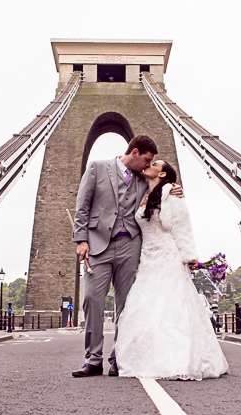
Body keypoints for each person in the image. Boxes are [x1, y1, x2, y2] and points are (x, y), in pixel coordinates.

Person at [71, 135, 181, 377]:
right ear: (135, 152)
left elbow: (159, 188)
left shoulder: (144, 177)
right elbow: (82, 205)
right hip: (98, 244)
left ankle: (118, 358)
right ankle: (93, 359)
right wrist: (80, 240)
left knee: (127, 305)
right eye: (146, 160)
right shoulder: (97, 168)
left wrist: (172, 189)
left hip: (131, 245)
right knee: (92, 299)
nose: (148, 165)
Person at [114, 160, 229, 380]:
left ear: (163, 173)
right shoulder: (141, 191)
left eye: (154, 163)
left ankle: (177, 358)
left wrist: (190, 256)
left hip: (167, 256)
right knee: (144, 307)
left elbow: (182, 226)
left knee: (171, 308)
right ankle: (146, 357)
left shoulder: (172, 194)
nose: (149, 164)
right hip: (147, 258)